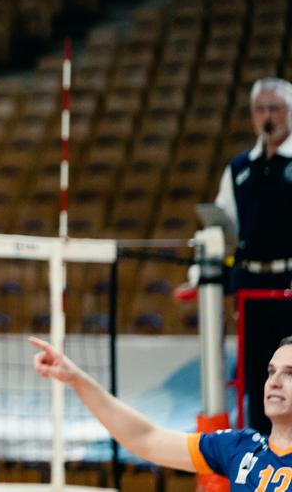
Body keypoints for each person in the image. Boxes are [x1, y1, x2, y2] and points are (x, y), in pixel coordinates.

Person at [30, 335, 292, 487]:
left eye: (289, 373)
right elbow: (144, 439)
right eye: (271, 372)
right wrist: (77, 379)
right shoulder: (240, 447)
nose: (275, 381)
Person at [214, 77, 292, 293]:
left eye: (275, 108)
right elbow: (226, 224)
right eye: (260, 109)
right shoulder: (239, 167)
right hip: (250, 280)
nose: (267, 115)